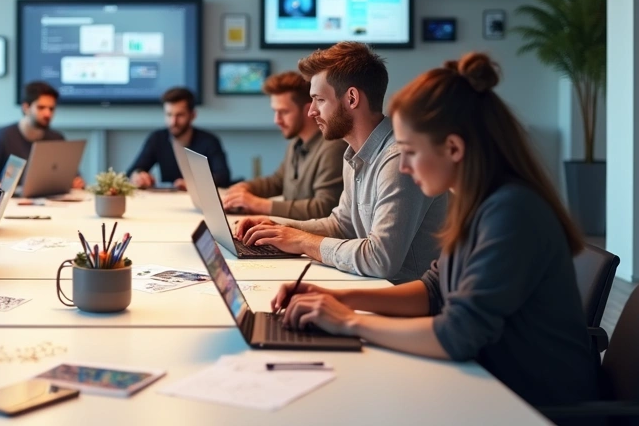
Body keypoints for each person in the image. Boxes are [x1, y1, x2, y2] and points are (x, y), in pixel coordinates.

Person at [272, 53, 600, 408]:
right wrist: (335, 298)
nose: (405, 166)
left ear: (454, 149)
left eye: (411, 152)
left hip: (534, 404)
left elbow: (457, 335)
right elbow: (433, 290)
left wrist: (350, 322)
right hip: (490, 381)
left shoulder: (511, 213)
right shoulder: (480, 204)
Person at [234, 42, 446, 284]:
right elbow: (341, 225)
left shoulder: (398, 160)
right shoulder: (354, 153)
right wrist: (275, 227)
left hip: (403, 300)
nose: (312, 111)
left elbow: (380, 259)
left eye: (319, 100)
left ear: (352, 98)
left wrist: (300, 240)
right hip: (372, 288)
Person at [222, 71, 345, 220]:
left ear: (308, 110)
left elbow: (324, 208)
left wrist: (258, 204)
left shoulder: (333, 147)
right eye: (275, 112)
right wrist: (244, 188)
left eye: (284, 112)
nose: (277, 120)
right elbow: (277, 181)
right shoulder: (297, 143)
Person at [0, 81, 85, 189]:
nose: (47, 113)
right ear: (26, 107)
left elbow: (72, 176)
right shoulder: (1, 136)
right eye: (41, 107)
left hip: (48, 202)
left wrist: (75, 182)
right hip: (11, 202)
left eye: (51, 109)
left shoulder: (57, 138)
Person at [128, 87, 230, 189]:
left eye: (180, 115)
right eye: (169, 115)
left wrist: (195, 183)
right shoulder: (157, 138)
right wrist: (137, 176)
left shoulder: (209, 141)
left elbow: (223, 177)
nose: (173, 122)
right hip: (168, 200)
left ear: (193, 115)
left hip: (202, 200)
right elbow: (132, 171)